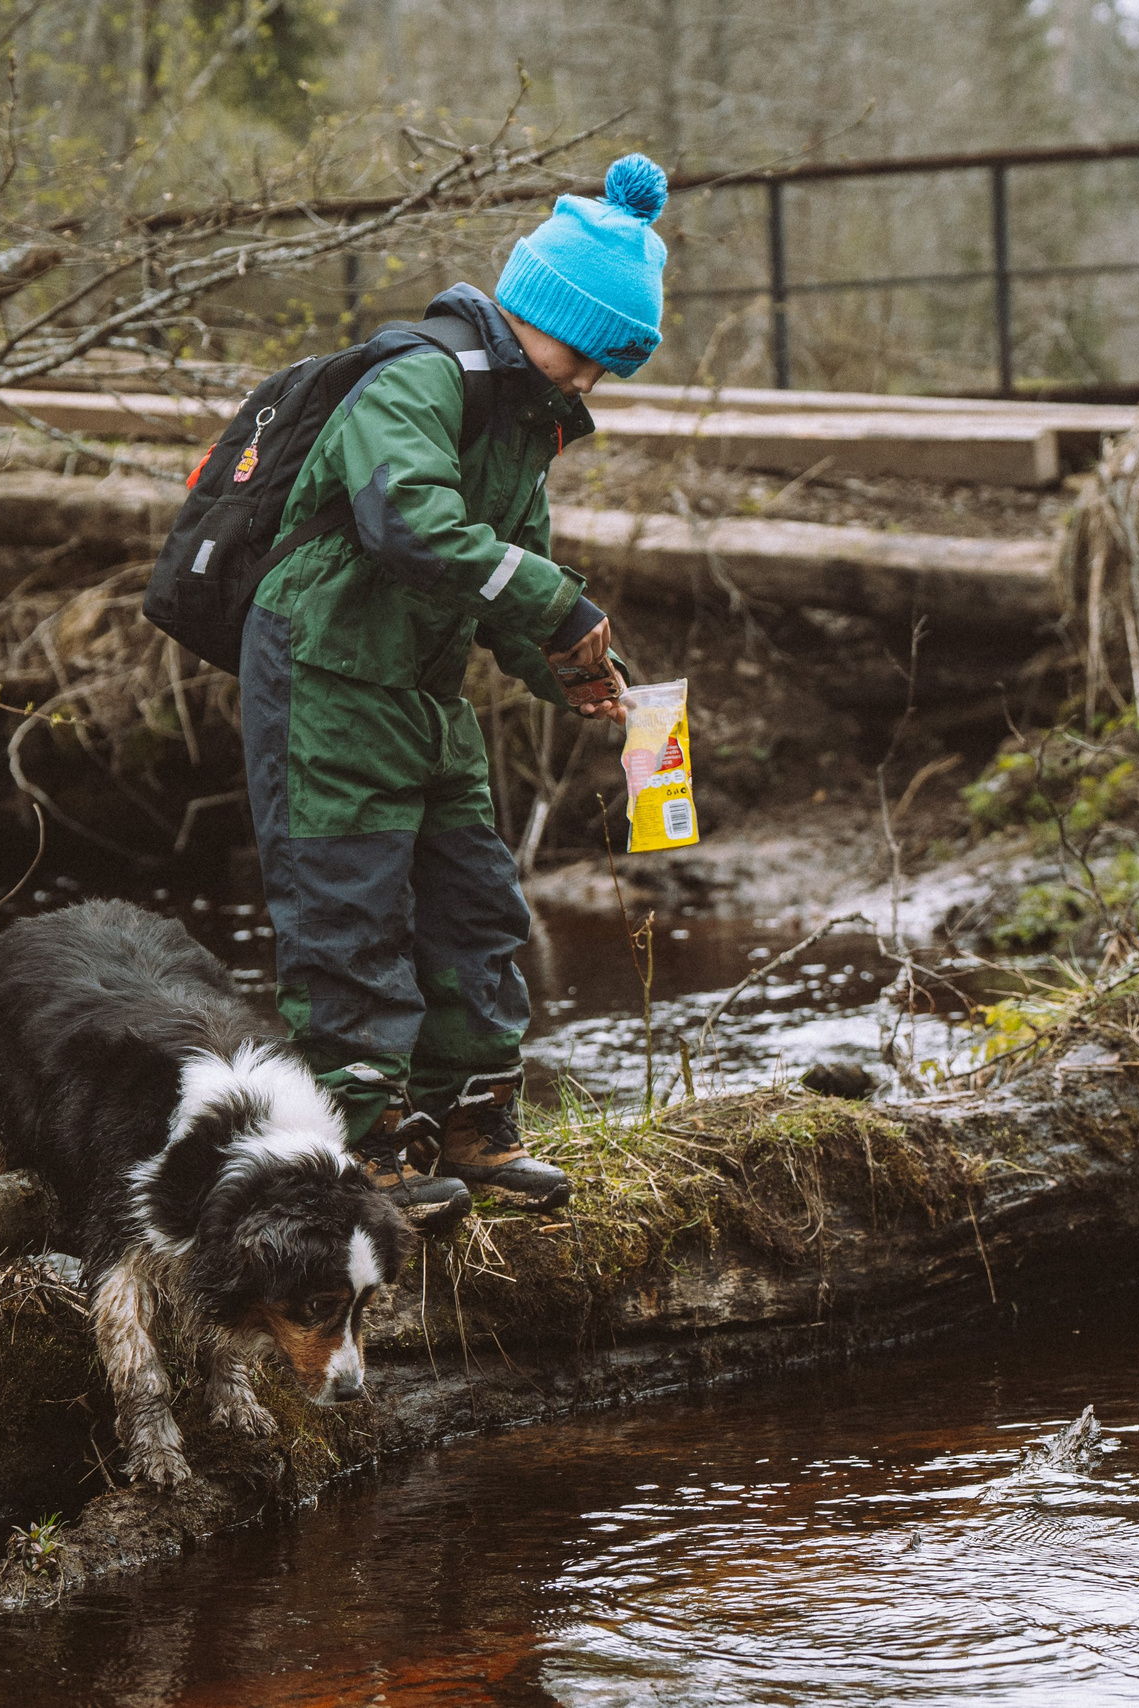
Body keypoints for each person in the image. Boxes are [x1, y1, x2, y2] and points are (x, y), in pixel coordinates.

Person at [240, 155, 672, 1230]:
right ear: (536, 313)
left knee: (478, 907)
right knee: (350, 913)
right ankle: (367, 1151)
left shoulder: (525, 431)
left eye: (605, 371)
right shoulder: (420, 377)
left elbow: (505, 584)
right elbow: (407, 523)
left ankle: (473, 1123)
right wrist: (555, 604)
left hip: (424, 696)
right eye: (583, 355)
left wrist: (580, 674)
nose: (586, 383)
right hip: (325, 677)